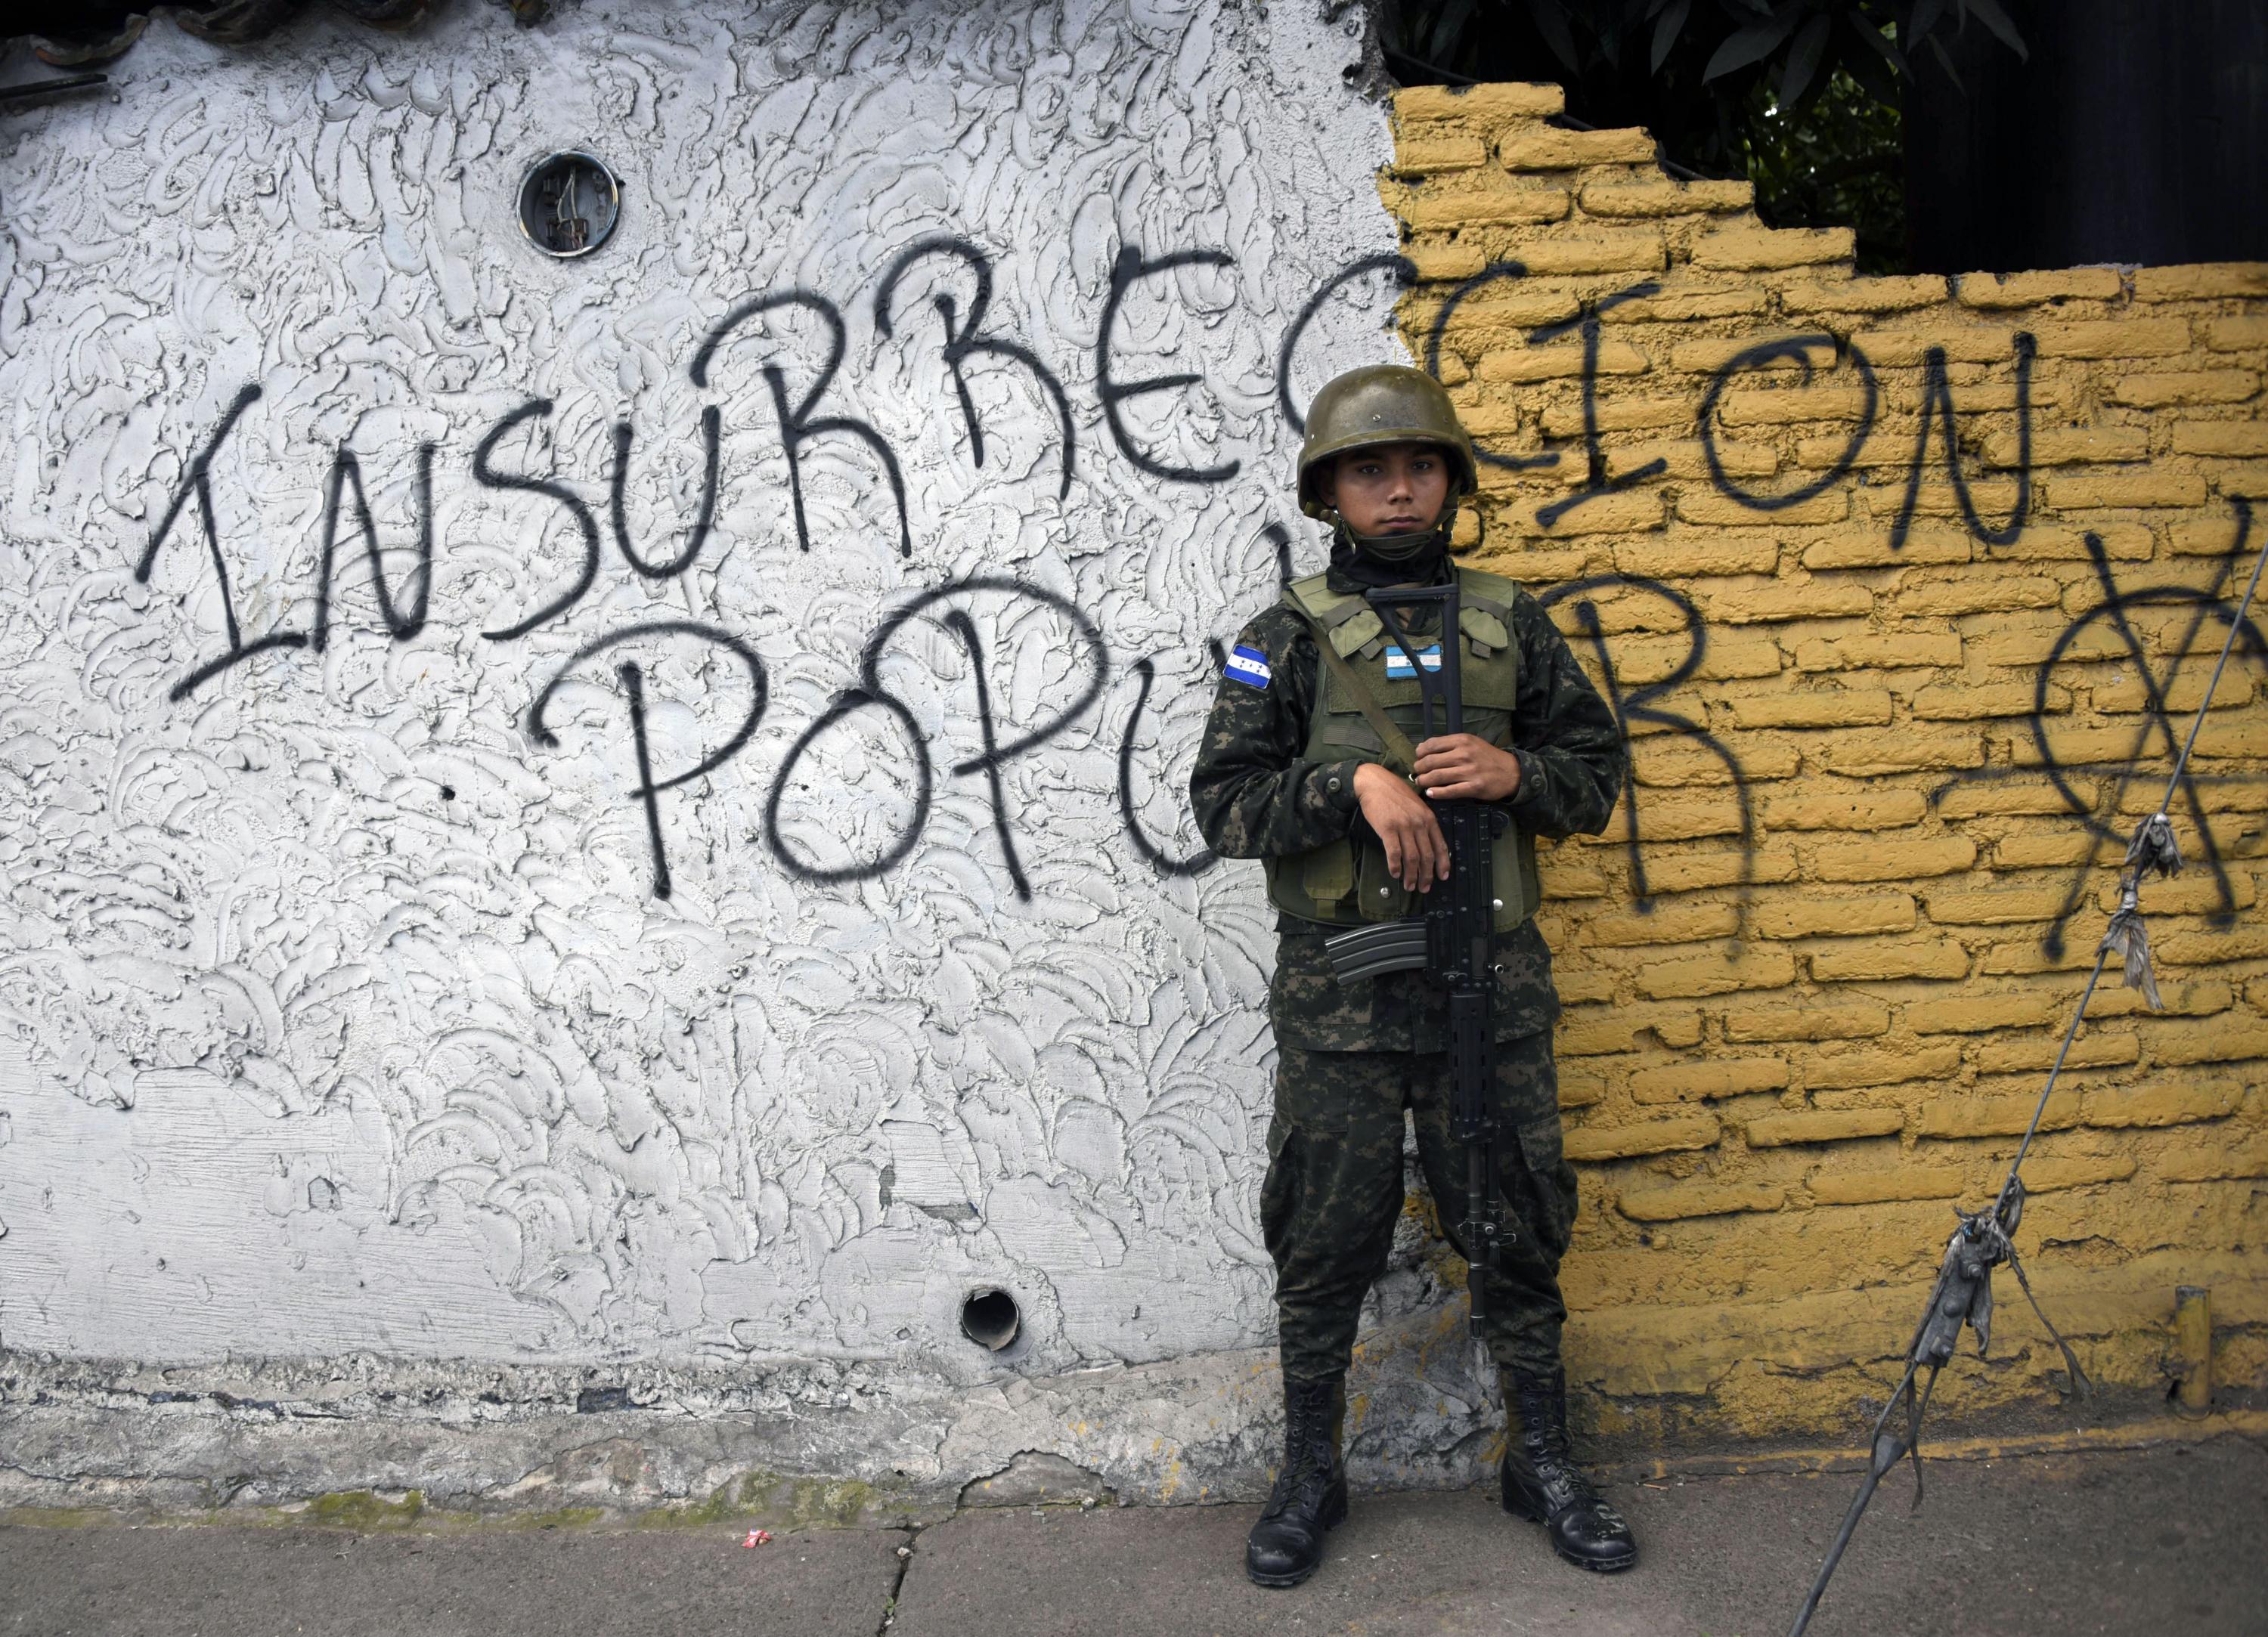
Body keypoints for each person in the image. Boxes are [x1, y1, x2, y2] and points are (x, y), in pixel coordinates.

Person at [1189, 365, 1632, 1586]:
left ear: (1453, 482)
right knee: (1326, 1239)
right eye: (1372, 470)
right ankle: (1309, 1470)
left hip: (1490, 999)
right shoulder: (1277, 637)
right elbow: (1222, 804)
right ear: (1329, 489)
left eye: (1421, 466)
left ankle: (1540, 1457)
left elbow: (1594, 774)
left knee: (1518, 1228)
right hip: (1342, 1011)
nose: (1400, 489)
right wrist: (1353, 784)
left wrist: (1516, 777)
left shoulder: (1511, 620)